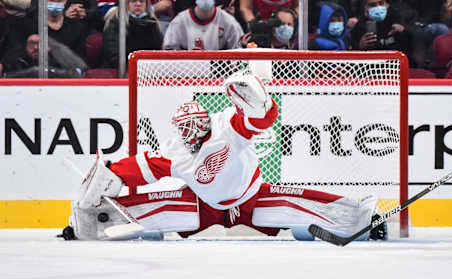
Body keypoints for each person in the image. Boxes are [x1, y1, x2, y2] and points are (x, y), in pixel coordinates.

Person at [62, 71, 388, 242]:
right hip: (202, 205)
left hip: (252, 197)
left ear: (205, 120)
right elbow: (141, 168)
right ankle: (92, 223)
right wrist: (110, 174)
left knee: (298, 202)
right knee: (154, 206)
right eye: (186, 128)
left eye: (196, 125)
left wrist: (259, 102)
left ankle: (362, 219)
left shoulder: (226, 125)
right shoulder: (176, 148)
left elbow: (259, 120)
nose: (192, 132)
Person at [101, 0, 163, 69]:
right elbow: (113, 56)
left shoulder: (153, 24)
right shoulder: (115, 22)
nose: (138, 4)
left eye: (142, 1)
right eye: (133, 1)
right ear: (126, 4)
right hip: (119, 69)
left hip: (147, 70)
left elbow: (156, 52)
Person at [162, 0, 243, 50]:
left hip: (221, 76)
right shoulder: (179, 22)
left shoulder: (229, 22)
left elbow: (239, 55)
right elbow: (168, 53)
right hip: (186, 75)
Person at [0, 33, 87, 77]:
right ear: (25, 46)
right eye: (31, 44)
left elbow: (80, 70)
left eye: (40, 43)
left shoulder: (59, 59)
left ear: (48, 46)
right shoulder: (15, 59)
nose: (36, 48)